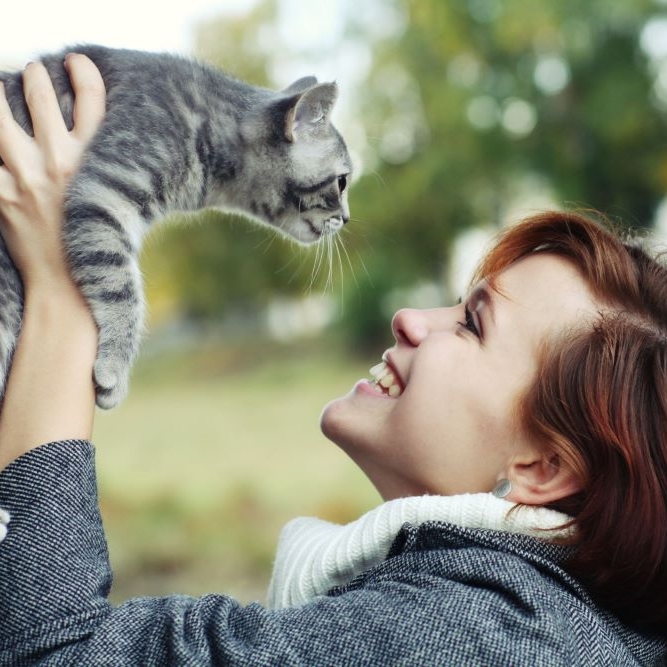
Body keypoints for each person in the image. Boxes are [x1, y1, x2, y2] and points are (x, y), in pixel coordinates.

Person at [0, 55, 665, 667]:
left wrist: (62, 286)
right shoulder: (549, 619)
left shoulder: (479, 636)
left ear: (540, 467)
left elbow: (56, 654)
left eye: (470, 323)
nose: (408, 318)